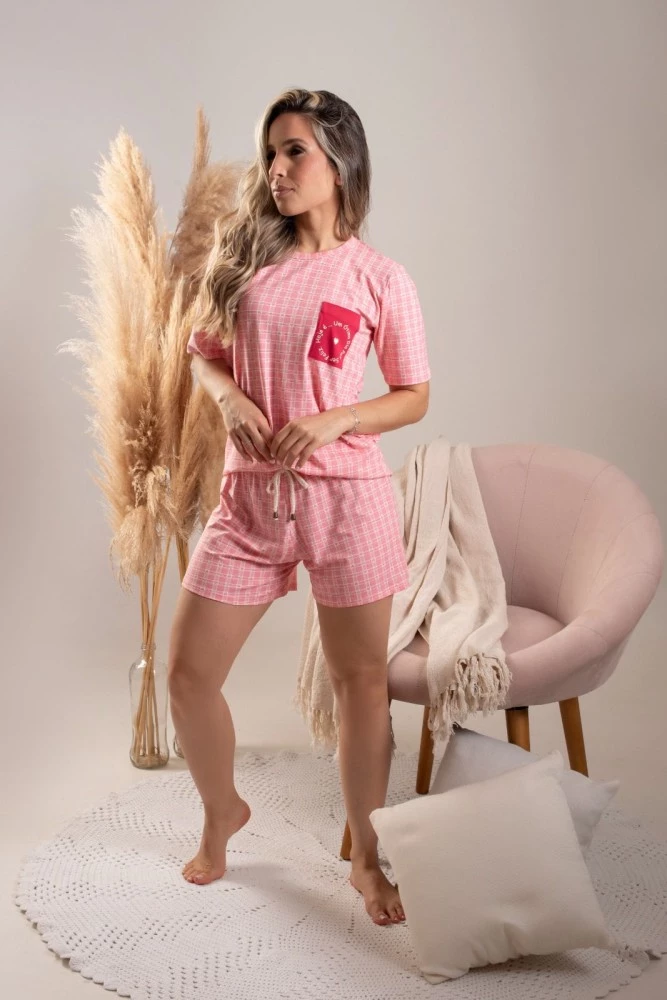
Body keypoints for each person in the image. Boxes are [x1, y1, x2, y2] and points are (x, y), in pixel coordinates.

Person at [168, 88, 431, 927]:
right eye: (271, 153)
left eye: (295, 153)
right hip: (249, 499)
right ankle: (222, 812)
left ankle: (366, 856)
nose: (276, 169)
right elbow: (202, 353)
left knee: (361, 682)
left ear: (339, 163)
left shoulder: (379, 278)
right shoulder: (245, 256)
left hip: (347, 500)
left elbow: (413, 394)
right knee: (187, 676)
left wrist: (335, 418)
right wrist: (226, 397)